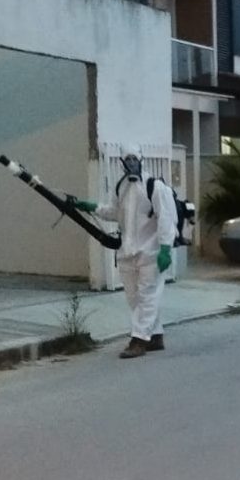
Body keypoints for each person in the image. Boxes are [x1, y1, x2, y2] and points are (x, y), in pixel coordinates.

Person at [70, 146, 177, 359]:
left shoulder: (154, 187)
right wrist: (92, 207)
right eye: (127, 159)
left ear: (141, 160)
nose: (131, 163)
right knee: (134, 298)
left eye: (134, 158)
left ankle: (138, 340)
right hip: (127, 253)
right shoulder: (122, 187)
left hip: (151, 253)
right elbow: (115, 213)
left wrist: (165, 248)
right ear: (121, 162)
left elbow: (166, 219)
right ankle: (155, 335)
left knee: (147, 296)